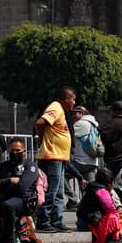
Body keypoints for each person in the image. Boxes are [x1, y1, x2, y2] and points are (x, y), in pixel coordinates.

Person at [34, 86, 75, 233]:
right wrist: (41, 139)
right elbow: (40, 123)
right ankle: (43, 221)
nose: (74, 103)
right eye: (73, 99)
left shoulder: (61, 111)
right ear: (65, 99)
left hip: (59, 157)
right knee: (51, 189)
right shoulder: (56, 107)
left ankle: (56, 220)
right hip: (52, 157)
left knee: (58, 192)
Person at [0, 138, 39, 243]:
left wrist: (5, 185)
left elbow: (23, 187)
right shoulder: (4, 166)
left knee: (8, 206)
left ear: (24, 151)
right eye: (12, 150)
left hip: (23, 200)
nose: (15, 153)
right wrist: (9, 181)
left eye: (18, 150)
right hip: (3, 198)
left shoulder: (30, 166)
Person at [76, 168, 122, 243]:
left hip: (82, 221)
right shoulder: (102, 191)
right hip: (89, 223)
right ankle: (110, 239)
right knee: (114, 217)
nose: (113, 185)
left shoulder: (92, 188)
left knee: (119, 216)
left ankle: (121, 237)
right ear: (109, 183)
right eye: (113, 183)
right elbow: (111, 209)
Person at [68, 106, 100, 207]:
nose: (73, 115)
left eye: (75, 113)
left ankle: (73, 198)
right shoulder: (94, 123)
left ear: (82, 113)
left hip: (80, 161)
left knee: (62, 176)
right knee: (90, 187)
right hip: (92, 161)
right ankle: (90, 206)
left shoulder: (80, 124)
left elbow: (67, 136)